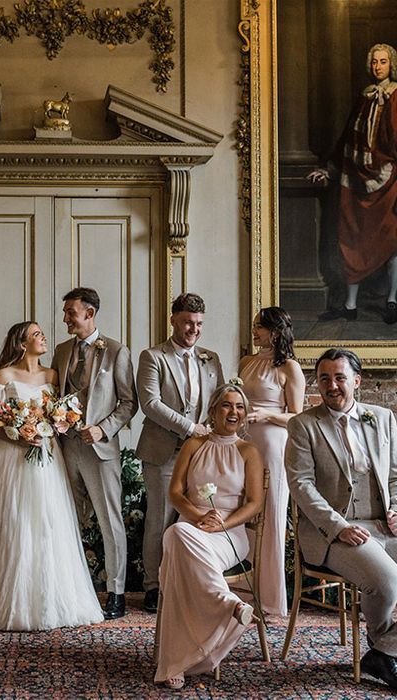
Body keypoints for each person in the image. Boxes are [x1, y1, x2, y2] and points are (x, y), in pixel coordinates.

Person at [0, 322, 104, 630]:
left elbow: (63, 414)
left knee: (47, 521)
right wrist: (16, 436)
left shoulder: (52, 376)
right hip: (11, 458)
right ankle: (11, 601)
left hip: (47, 456)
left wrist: (60, 423)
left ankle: (51, 600)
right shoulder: (4, 376)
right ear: (21, 343)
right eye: (37, 335)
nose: (43, 339)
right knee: (16, 520)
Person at [286, 348, 397, 691]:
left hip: (382, 524)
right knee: (388, 579)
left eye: (340, 377)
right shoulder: (303, 425)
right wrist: (338, 526)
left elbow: (395, 476)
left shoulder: (382, 418)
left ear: (357, 381)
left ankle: (384, 652)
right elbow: (301, 485)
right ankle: (386, 649)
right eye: (324, 379)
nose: (332, 385)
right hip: (333, 533)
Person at [155, 383, 264, 690]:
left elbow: (255, 504)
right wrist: (198, 516)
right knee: (178, 533)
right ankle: (227, 604)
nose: (234, 412)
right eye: (227, 406)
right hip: (192, 525)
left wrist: (223, 524)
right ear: (214, 411)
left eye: (240, 407)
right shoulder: (194, 444)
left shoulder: (249, 451)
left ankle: (175, 661)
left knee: (177, 544)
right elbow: (175, 493)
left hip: (230, 535)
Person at [52, 287, 138, 620]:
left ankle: (115, 593)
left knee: (109, 521)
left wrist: (103, 428)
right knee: (67, 520)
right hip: (65, 448)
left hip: (101, 450)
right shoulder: (61, 352)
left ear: (89, 313)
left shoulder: (116, 351)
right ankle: (73, 589)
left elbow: (129, 403)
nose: (66, 319)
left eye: (70, 313)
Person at [136, 292, 224, 613]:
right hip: (163, 452)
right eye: (188, 321)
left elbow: (219, 401)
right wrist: (190, 428)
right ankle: (153, 585)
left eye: (199, 323)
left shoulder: (210, 358)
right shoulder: (152, 356)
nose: (194, 328)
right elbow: (151, 404)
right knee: (159, 517)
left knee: (195, 515)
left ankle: (185, 580)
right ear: (173, 319)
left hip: (201, 455)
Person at [310, 44, 397, 324]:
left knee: (392, 241)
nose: (377, 67)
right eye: (374, 62)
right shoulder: (364, 97)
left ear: (391, 65)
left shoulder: (396, 96)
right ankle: (349, 305)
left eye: (383, 62)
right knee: (352, 239)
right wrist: (329, 169)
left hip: (389, 181)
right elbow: (347, 141)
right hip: (356, 181)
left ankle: (393, 302)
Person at [238, 306, 305, 616]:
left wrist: (266, 414)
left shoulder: (289, 367)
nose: (255, 332)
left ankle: (270, 600)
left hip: (274, 445)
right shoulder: (246, 363)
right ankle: (244, 588)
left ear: (275, 332)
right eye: (254, 326)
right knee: (245, 513)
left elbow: (298, 417)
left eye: (259, 327)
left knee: (272, 515)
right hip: (244, 444)